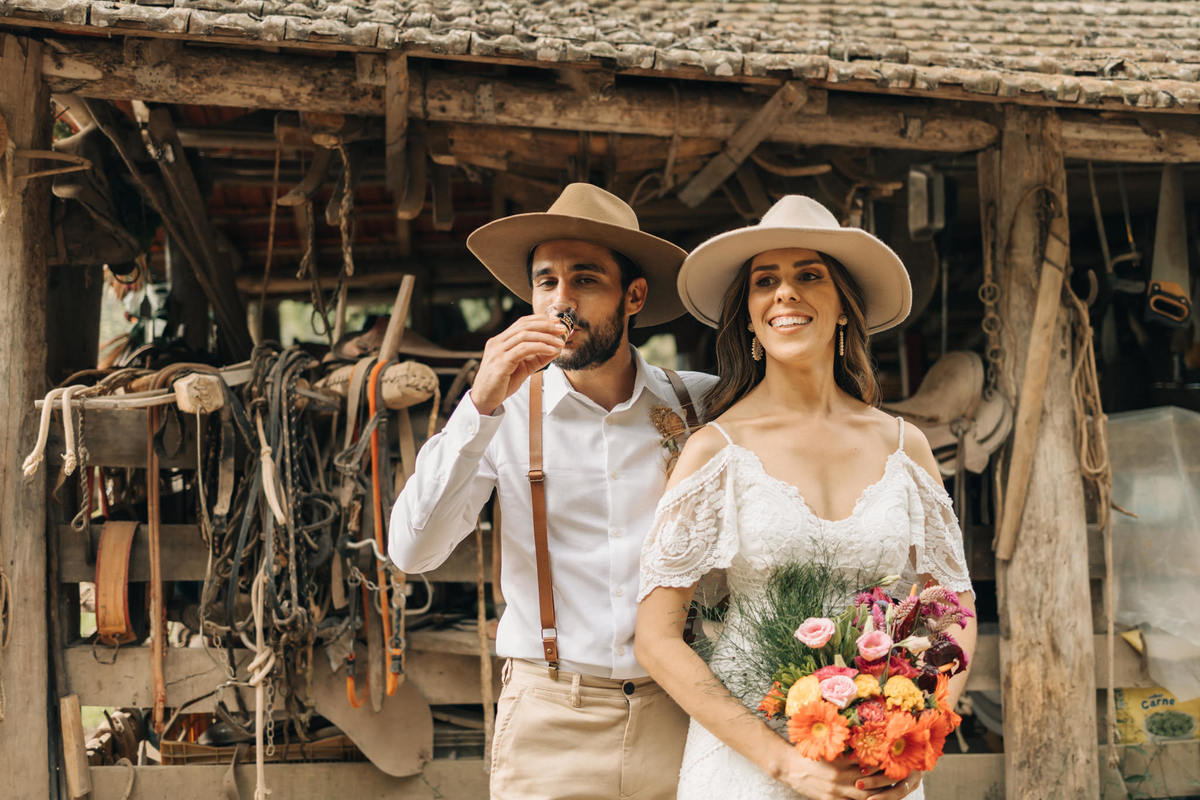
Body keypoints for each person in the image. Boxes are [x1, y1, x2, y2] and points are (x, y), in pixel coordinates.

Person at [634, 195, 977, 800]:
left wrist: (922, 731)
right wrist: (782, 763)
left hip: (879, 764)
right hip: (747, 763)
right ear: (748, 316)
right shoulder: (715, 453)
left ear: (845, 306)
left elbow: (953, 609)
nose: (785, 293)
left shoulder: (905, 448)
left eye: (808, 276)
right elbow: (658, 638)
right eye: (766, 281)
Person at [389, 183, 716, 799]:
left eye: (585, 280)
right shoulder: (499, 413)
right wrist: (479, 405)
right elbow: (410, 553)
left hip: (686, 714)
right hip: (550, 718)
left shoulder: (701, 403)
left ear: (634, 296)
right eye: (546, 282)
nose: (561, 302)